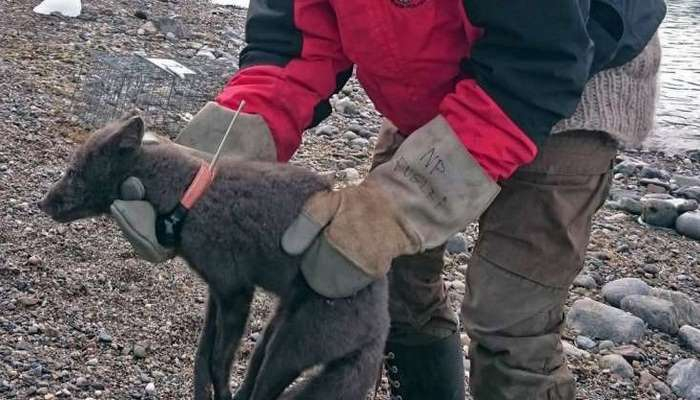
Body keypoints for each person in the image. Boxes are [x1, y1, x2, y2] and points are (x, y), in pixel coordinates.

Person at [111, 0, 665, 399]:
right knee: (392, 284)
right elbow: (294, 45)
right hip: (440, 81)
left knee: (509, 321)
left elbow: (536, 63)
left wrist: (396, 205)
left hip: (573, 85)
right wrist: (204, 165)